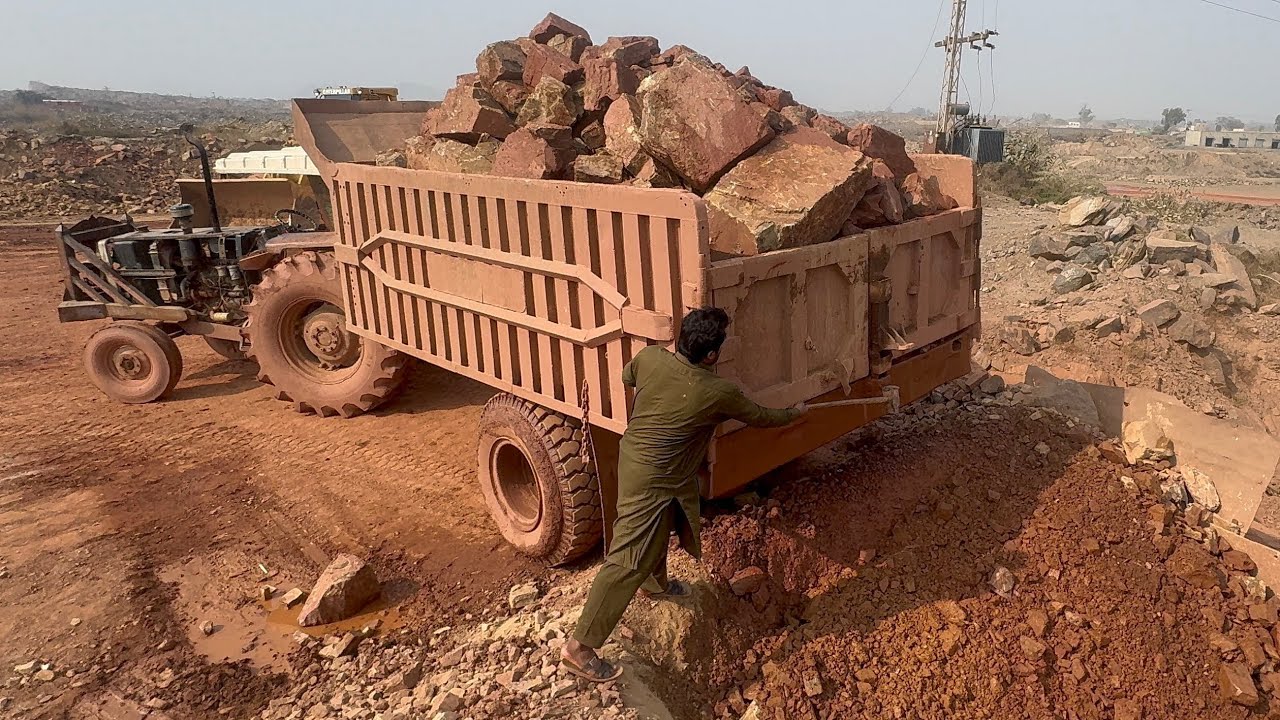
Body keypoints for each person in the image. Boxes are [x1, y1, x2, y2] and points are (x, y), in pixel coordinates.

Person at [560, 307, 806, 682]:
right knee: (627, 557)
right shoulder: (716, 392)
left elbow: (629, 377)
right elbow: (761, 417)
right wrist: (795, 413)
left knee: (663, 523)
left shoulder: (649, 358)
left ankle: (654, 584)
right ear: (711, 355)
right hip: (653, 478)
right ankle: (580, 648)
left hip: (642, 461)